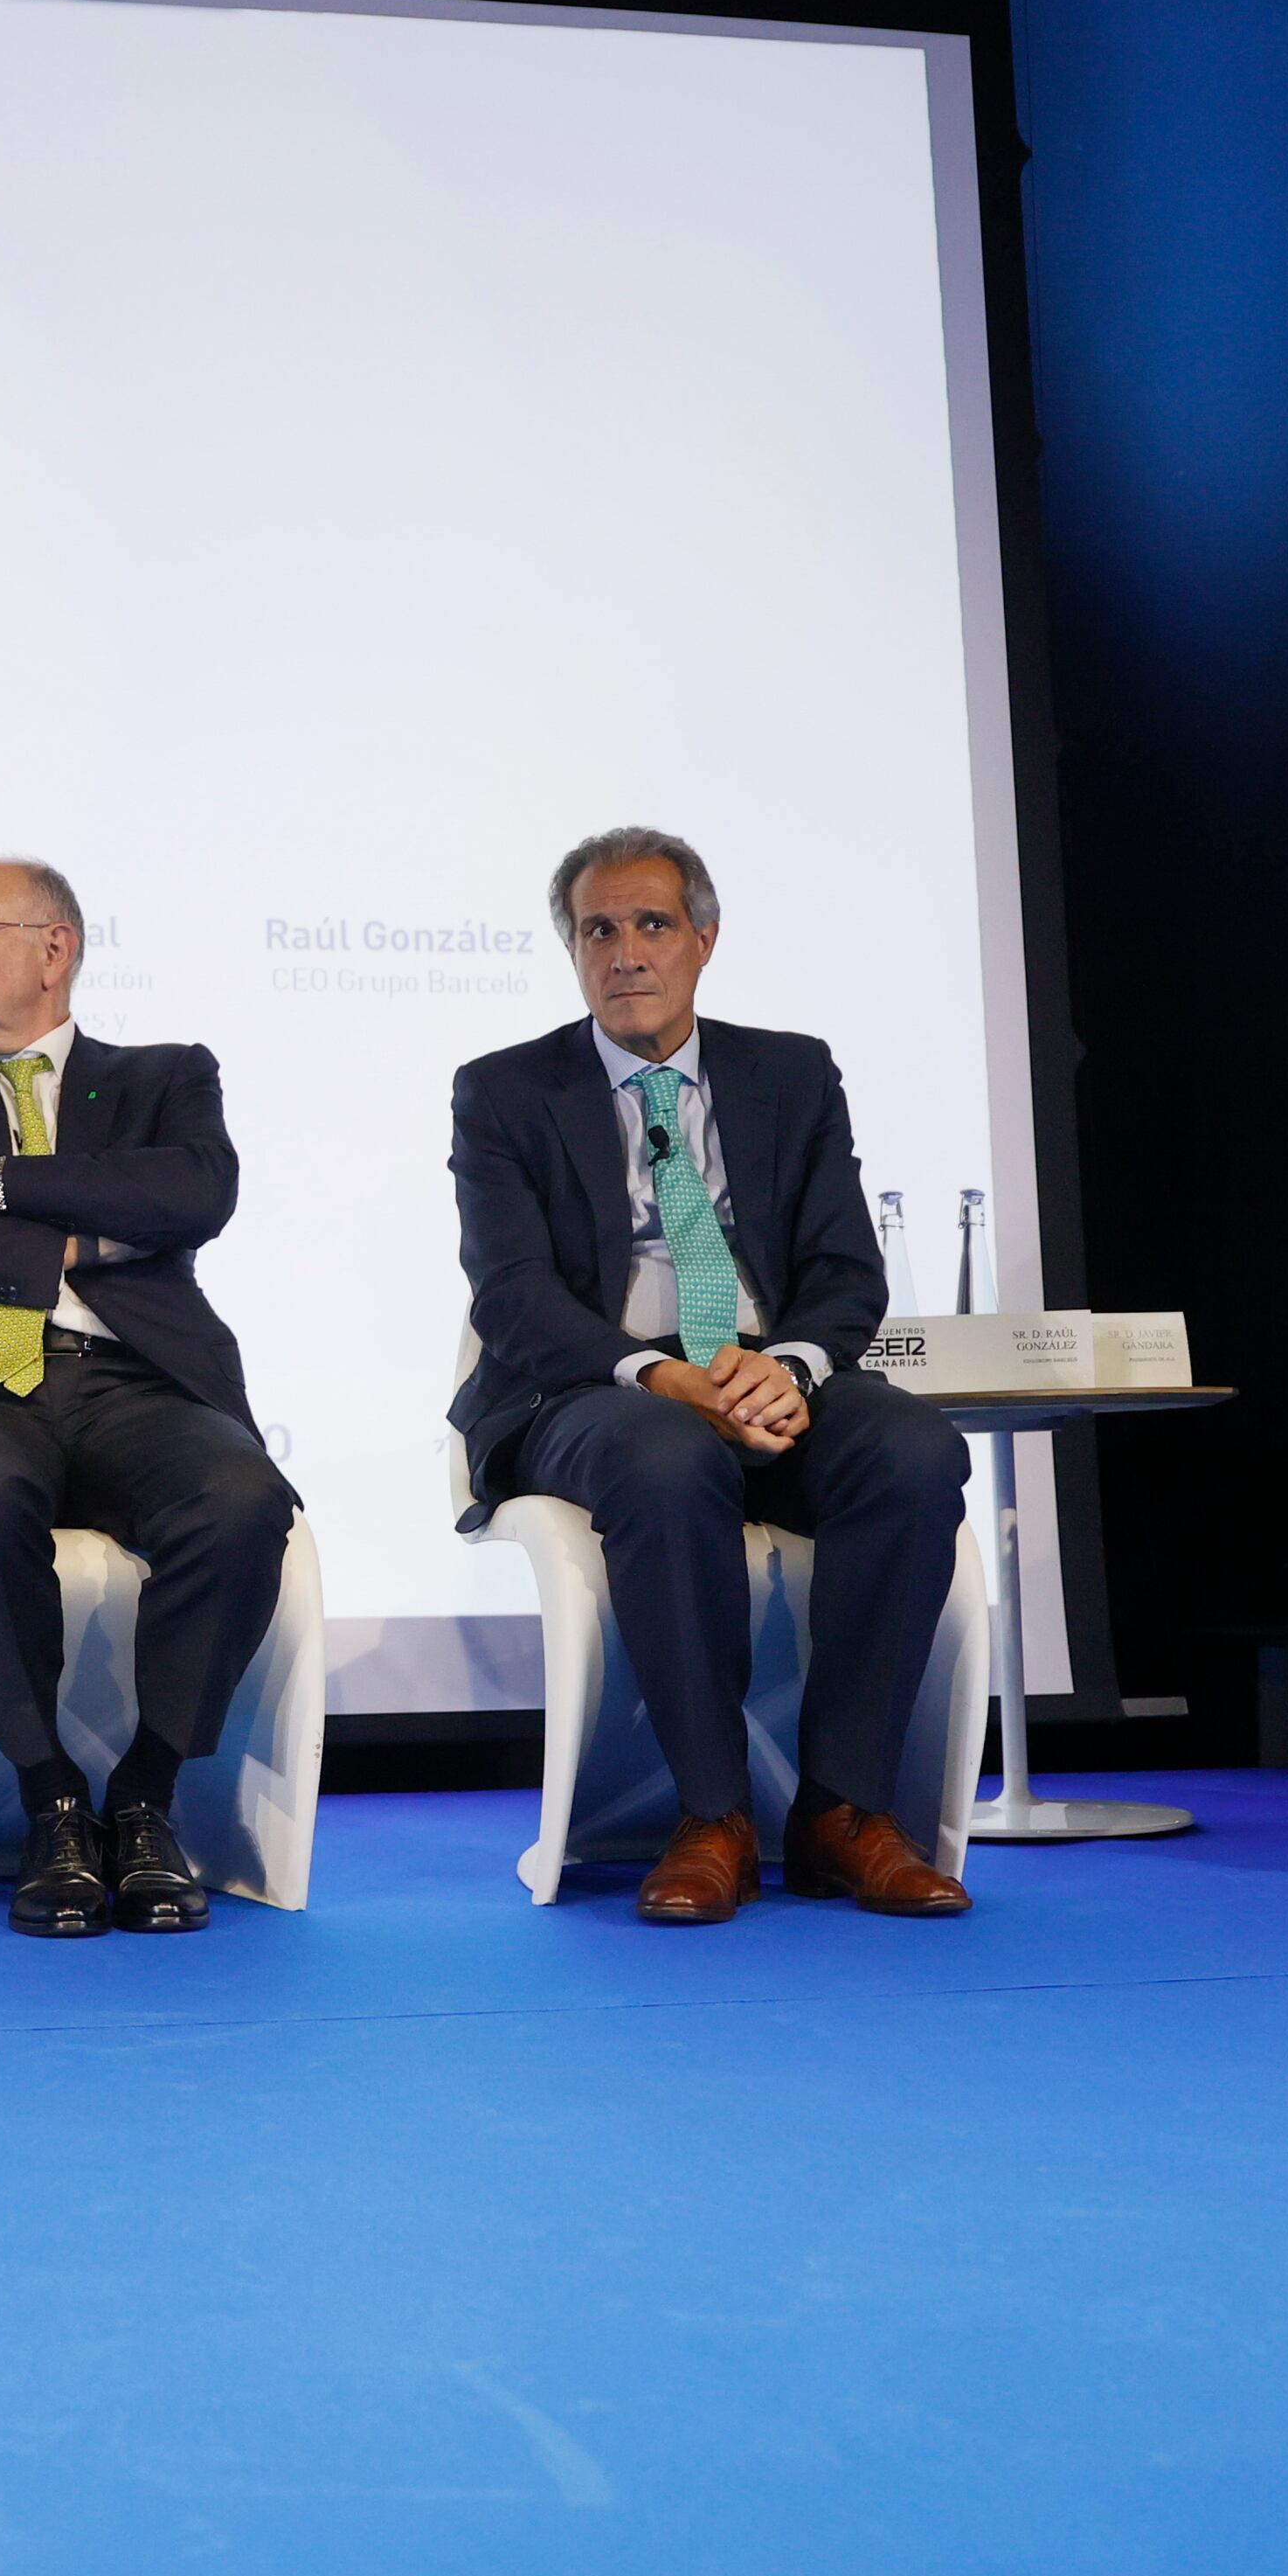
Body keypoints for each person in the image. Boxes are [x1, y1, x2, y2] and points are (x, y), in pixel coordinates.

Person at [447, 825, 974, 1925]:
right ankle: (711, 1813)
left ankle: (842, 1808)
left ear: (703, 938)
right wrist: (654, 1371)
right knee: (665, 1453)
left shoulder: (788, 1071)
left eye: (650, 924)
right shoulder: (504, 1090)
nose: (624, 952)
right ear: (573, 950)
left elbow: (842, 1269)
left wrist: (785, 1366)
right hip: (592, 1390)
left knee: (914, 1449)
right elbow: (511, 1295)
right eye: (598, 929)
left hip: (762, 1368)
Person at [0, 858, 295, 1938]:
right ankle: (52, 1802)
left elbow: (190, 1194)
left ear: (53, 947)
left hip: (135, 1381)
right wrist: (80, 1240)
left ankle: (144, 1795)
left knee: (240, 1497)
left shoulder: (163, 1075)